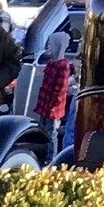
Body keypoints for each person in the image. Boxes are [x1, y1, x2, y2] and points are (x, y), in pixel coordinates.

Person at [34, 30, 75, 159]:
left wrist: (53, 105)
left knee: (52, 133)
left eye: (52, 45)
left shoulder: (63, 66)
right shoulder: (52, 62)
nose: (49, 47)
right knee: (43, 131)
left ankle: (51, 158)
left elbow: (60, 89)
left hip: (53, 108)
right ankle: (43, 154)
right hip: (44, 105)